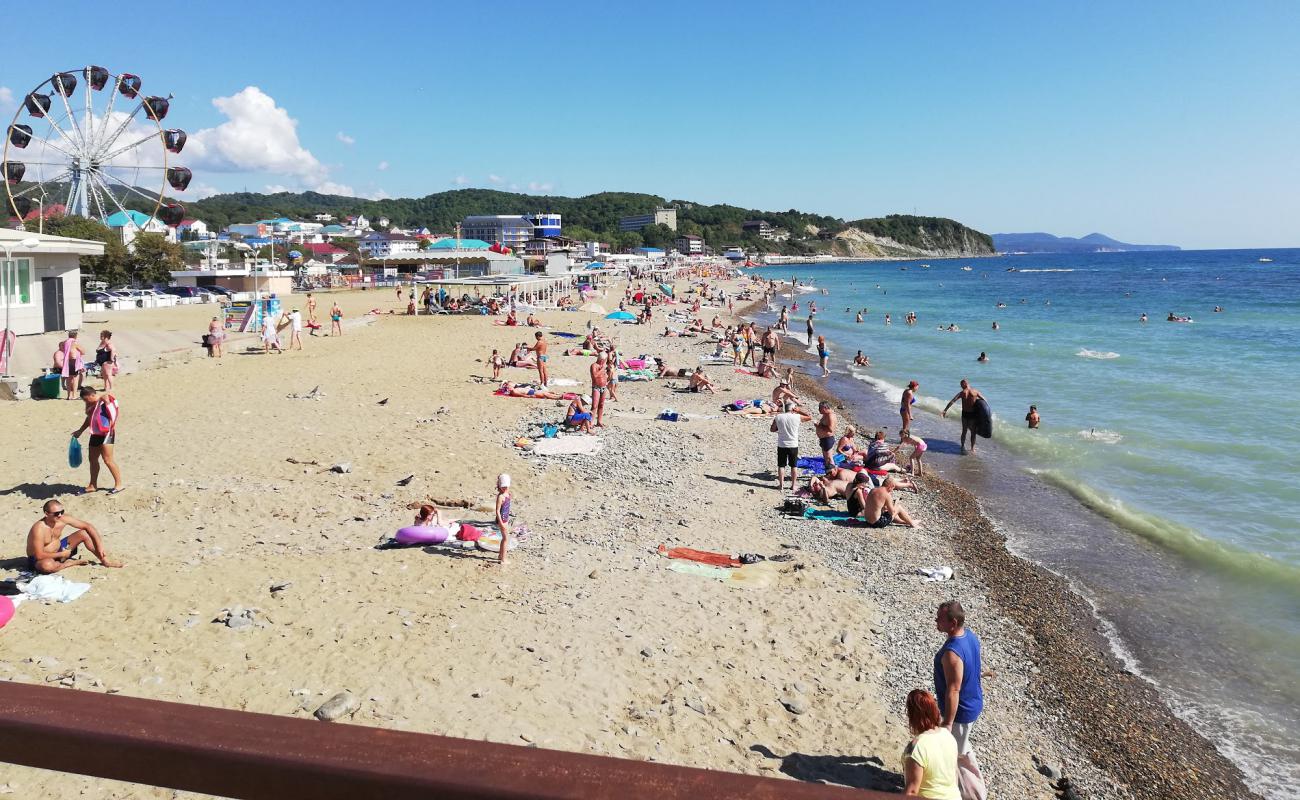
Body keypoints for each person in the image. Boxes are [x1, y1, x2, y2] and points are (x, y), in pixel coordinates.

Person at [934, 600, 985, 788]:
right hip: (973, 702)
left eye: (940, 618)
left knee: (956, 755)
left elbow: (953, 690)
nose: (935, 620)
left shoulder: (952, 653)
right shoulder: (970, 636)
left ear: (953, 623)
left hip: (961, 712)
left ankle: (973, 793)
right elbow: (971, 666)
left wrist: (947, 722)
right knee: (959, 748)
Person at [26, 499, 123, 573]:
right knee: (47, 566)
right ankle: (69, 563)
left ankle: (104, 561)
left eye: (61, 512)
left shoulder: (63, 519)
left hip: (60, 550)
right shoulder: (39, 528)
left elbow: (88, 526)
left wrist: (99, 546)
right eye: (56, 514)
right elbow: (39, 555)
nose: (60, 515)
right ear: (46, 514)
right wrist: (62, 555)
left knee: (84, 533)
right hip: (40, 559)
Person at [901, 689, 961, 799]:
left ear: (912, 716)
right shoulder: (948, 736)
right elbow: (955, 777)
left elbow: (911, 791)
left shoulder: (916, 748)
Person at [72, 386, 123, 494]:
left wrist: (107, 400)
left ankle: (119, 485)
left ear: (92, 395)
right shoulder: (90, 405)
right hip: (95, 434)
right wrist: (80, 431)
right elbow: (89, 418)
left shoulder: (104, 399)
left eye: (86, 399)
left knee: (108, 460)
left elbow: (113, 410)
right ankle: (92, 485)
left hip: (106, 434)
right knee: (92, 459)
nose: (85, 402)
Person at [770, 401, 811, 493]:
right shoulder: (797, 416)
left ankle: (781, 485)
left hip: (782, 444)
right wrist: (799, 410)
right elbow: (809, 417)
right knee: (794, 465)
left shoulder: (778, 417)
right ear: (793, 409)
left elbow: (772, 429)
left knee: (781, 465)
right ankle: (793, 485)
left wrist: (780, 428)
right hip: (793, 444)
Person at [852, 476, 918, 528]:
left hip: (867, 521)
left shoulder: (873, 490)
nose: (892, 491)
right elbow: (892, 512)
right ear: (890, 487)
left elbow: (876, 505)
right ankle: (912, 524)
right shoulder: (886, 494)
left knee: (886, 511)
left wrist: (886, 507)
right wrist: (895, 504)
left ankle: (906, 522)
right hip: (876, 523)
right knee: (898, 508)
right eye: (893, 488)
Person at [942, 379, 983, 454]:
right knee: (973, 432)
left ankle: (962, 446)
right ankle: (972, 448)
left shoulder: (962, 393)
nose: (961, 386)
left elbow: (952, 401)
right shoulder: (975, 391)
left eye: (961, 385)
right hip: (972, 414)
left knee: (964, 431)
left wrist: (945, 410)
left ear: (965, 384)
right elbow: (984, 401)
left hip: (964, 414)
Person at [56, 330, 85, 400]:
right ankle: (74, 395)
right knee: (75, 379)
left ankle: (69, 395)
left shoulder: (66, 342)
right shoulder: (73, 342)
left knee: (68, 379)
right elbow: (83, 351)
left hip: (67, 361)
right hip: (73, 361)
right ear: (75, 336)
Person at [494, 473, 512, 565]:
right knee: (506, 538)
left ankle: (500, 556)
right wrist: (501, 522)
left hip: (505, 519)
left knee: (504, 538)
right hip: (501, 520)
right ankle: (503, 559)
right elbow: (497, 511)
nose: (504, 488)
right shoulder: (500, 497)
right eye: (502, 487)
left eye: (506, 486)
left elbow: (507, 507)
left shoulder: (508, 494)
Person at [815, 401, 837, 472]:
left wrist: (819, 426)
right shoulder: (825, 414)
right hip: (824, 439)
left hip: (828, 439)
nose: (819, 410)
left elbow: (831, 429)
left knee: (829, 458)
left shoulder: (830, 415)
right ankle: (828, 472)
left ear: (825, 408)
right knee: (826, 458)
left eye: (820, 408)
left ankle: (833, 473)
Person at [590, 352, 609, 428]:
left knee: (601, 405)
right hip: (596, 387)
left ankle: (599, 421)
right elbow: (595, 376)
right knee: (594, 406)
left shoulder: (603, 366)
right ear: (602, 360)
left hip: (604, 387)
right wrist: (602, 369)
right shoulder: (594, 365)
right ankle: (591, 422)